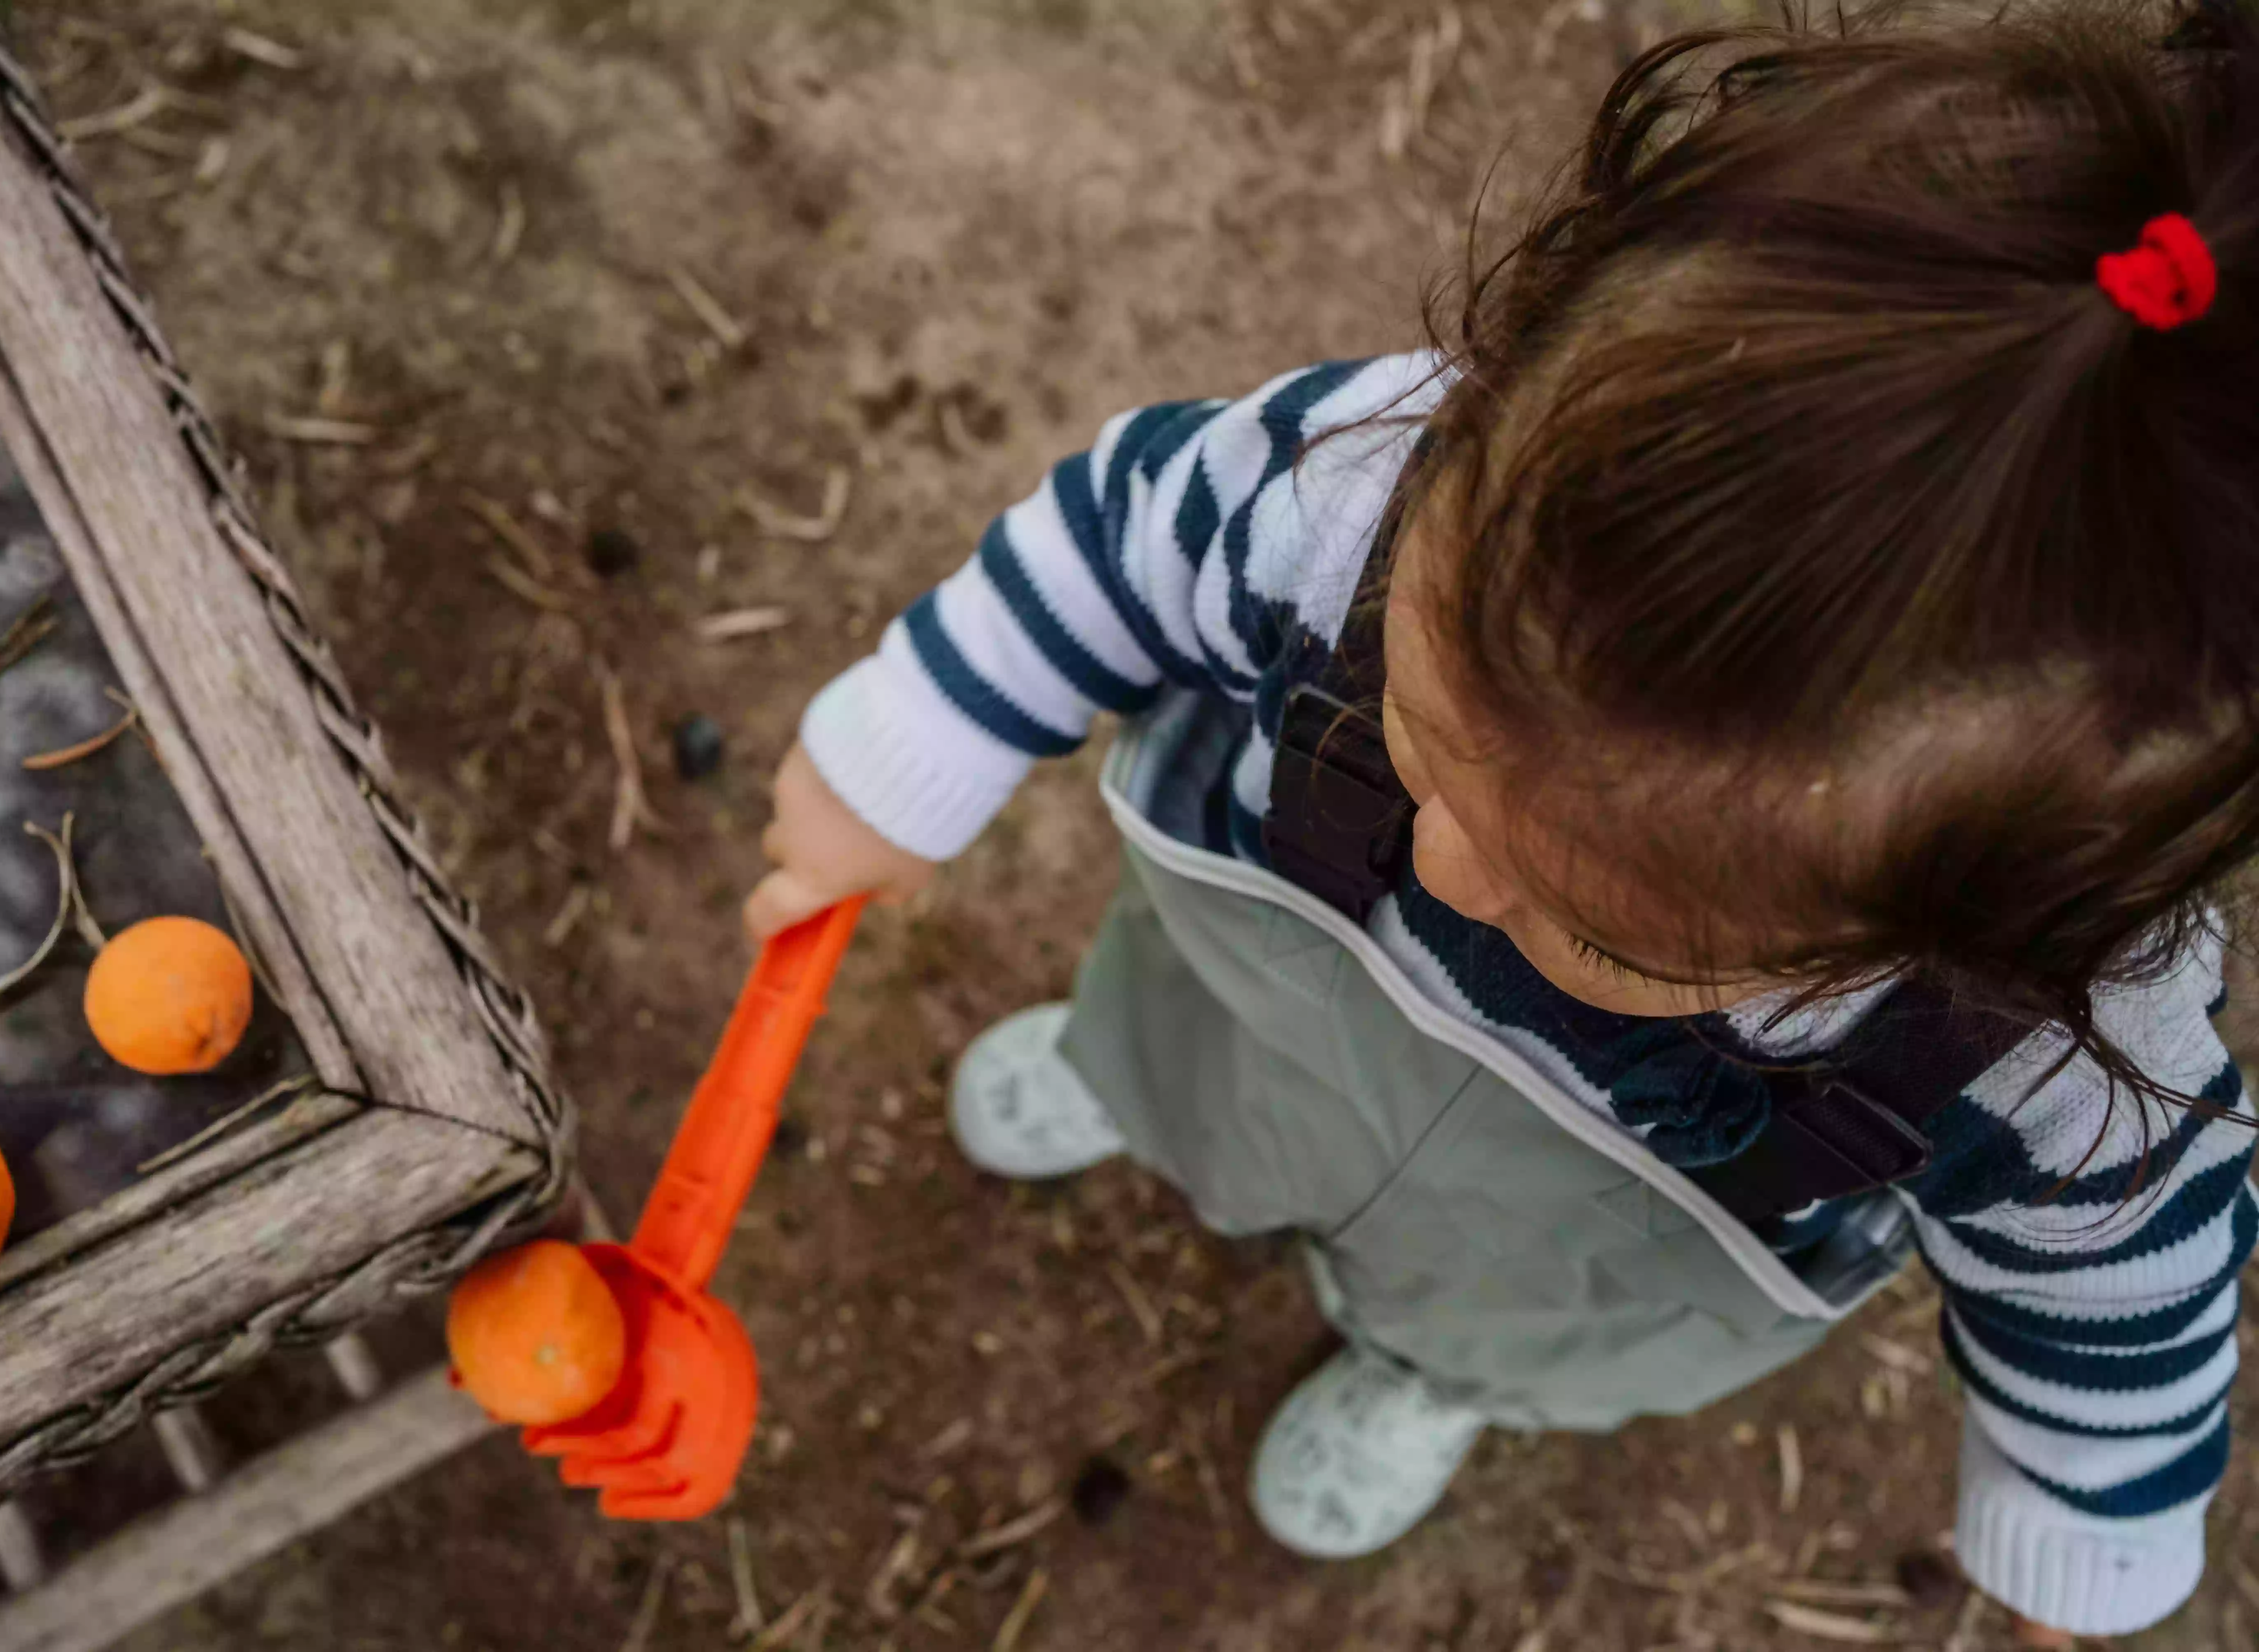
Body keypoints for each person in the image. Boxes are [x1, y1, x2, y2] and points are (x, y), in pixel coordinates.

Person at [746, 2, 2258, 1642]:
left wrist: (2081, 1515)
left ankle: (1423, 1368)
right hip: (1252, 1006)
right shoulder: (1355, 490)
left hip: (1560, 1255)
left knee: (1485, 1317)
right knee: (1188, 1054)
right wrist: (907, 750)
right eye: (1416, 728)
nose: (1448, 870)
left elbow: (2125, 1302)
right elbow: (1121, 537)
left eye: (1596, 925)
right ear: (1494, 385)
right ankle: (1132, 1077)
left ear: (1976, 929)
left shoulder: (2048, 1058)